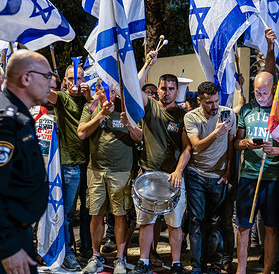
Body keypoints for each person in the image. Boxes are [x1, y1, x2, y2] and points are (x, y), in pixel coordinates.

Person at [0, 50, 56, 274]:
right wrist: (8, 248)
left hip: (7, 232)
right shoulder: (4, 119)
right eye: (47, 75)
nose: (52, 82)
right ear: (26, 78)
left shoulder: (14, 112)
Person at [129, 65, 192, 274]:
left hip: (172, 178)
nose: (167, 92)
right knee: (146, 223)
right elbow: (134, 86)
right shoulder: (150, 107)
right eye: (163, 88)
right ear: (158, 89)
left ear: (177, 91)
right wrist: (148, 65)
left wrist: (178, 171)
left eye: (171, 88)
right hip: (148, 175)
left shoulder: (183, 115)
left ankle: (176, 264)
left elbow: (187, 148)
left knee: (174, 224)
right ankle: (143, 262)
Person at [77, 79, 135, 274]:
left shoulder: (126, 106)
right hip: (96, 170)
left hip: (121, 170)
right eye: (103, 88)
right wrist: (101, 114)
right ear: (98, 90)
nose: (108, 92)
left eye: (111, 88)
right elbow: (82, 133)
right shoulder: (90, 106)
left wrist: (130, 123)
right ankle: (96, 256)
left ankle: (120, 258)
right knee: (96, 214)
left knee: (120, 215)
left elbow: (140, 137)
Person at [234, 72, 279, 274]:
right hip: (249, 176)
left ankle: (267, 270)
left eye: (264, 92)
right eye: (257, 91)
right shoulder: (247, 110)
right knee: (243, 225)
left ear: (273, 89)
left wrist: (276, 151)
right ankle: (241, 269)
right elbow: (236, 143)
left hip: (274, 176)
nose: (260, 95)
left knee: (272, 227)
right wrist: (244, 144)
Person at [183, 81, 236, 274]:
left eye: (216, 101)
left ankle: (215, 265)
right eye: (209, 103)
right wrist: (216, 133)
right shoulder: (191, 117)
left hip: (219, 176)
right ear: (199, 101)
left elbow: (231, 144)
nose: (214, 106)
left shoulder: (228, 113)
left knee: (217, 222)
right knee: (196, 221)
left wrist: (229, 171)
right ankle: (197, 266)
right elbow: (196, 146)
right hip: (196, 175)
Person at [47, 64, 93, 269]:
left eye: (80, 78)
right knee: (67, 214)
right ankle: (66, 252)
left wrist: (90, 96)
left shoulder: (87, 100)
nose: (76, 82)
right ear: (64, 81)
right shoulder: (62, 98)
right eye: (72, 78)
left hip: (91, 164)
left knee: (88, 211)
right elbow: (47, 93)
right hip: (70, 164)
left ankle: (87, 250)